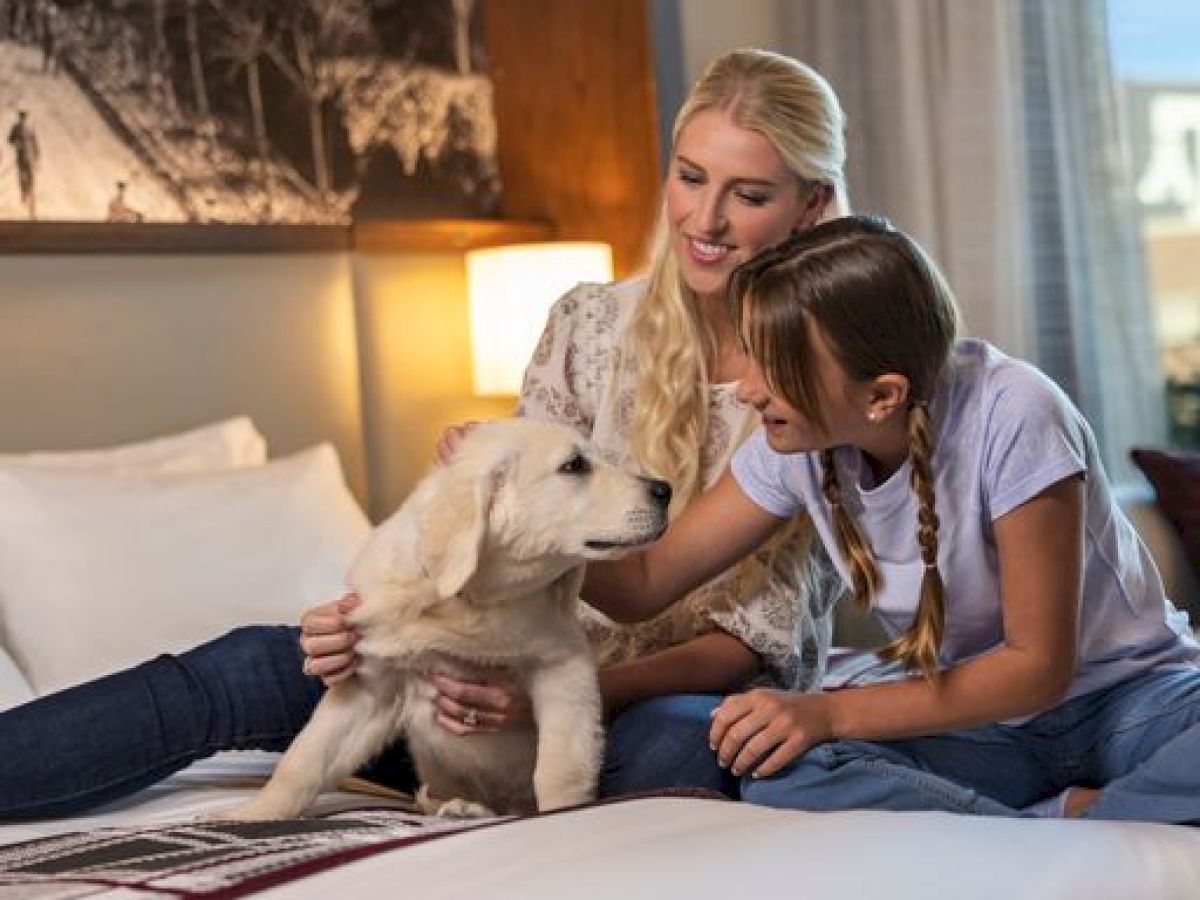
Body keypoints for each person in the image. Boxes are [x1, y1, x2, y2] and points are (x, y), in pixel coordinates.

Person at [0, 48, 851, 820]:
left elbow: (743, 649)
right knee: (258, 660)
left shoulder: (821, 382)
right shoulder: (590, 321)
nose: (704, 219)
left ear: (810, 205)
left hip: (627, 702)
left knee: (685, 743)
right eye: (690, 177)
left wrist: (565, 691)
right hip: (473, 689)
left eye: (748, 194)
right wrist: (377, 623)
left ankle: (545, 797)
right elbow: (500, 542)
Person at [579, 214, 1200, 823]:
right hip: (980, 730)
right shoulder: (791, 447)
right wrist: (503, 517)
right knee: (769, 770)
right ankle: (1072, 819)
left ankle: (1029, 826)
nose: (747, 389)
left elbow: (1036, 670)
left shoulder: (1017, 410)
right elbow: (644, 584)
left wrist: (826, 714)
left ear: (882, 396)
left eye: (774, 366)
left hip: (1131, 701)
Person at [7, 109, 39, 219]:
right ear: (19, 118)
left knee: (31, 177)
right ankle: (24, 193)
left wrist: (37, 156)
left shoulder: (30, 128)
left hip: (30, 157)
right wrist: (16, 143)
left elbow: (35, 142)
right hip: (21, 156)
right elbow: (10, 139)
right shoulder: (16, 128)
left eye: (24, 117)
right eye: (22, 117)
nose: (23, 119)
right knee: (21, 175)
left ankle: (29, 192)